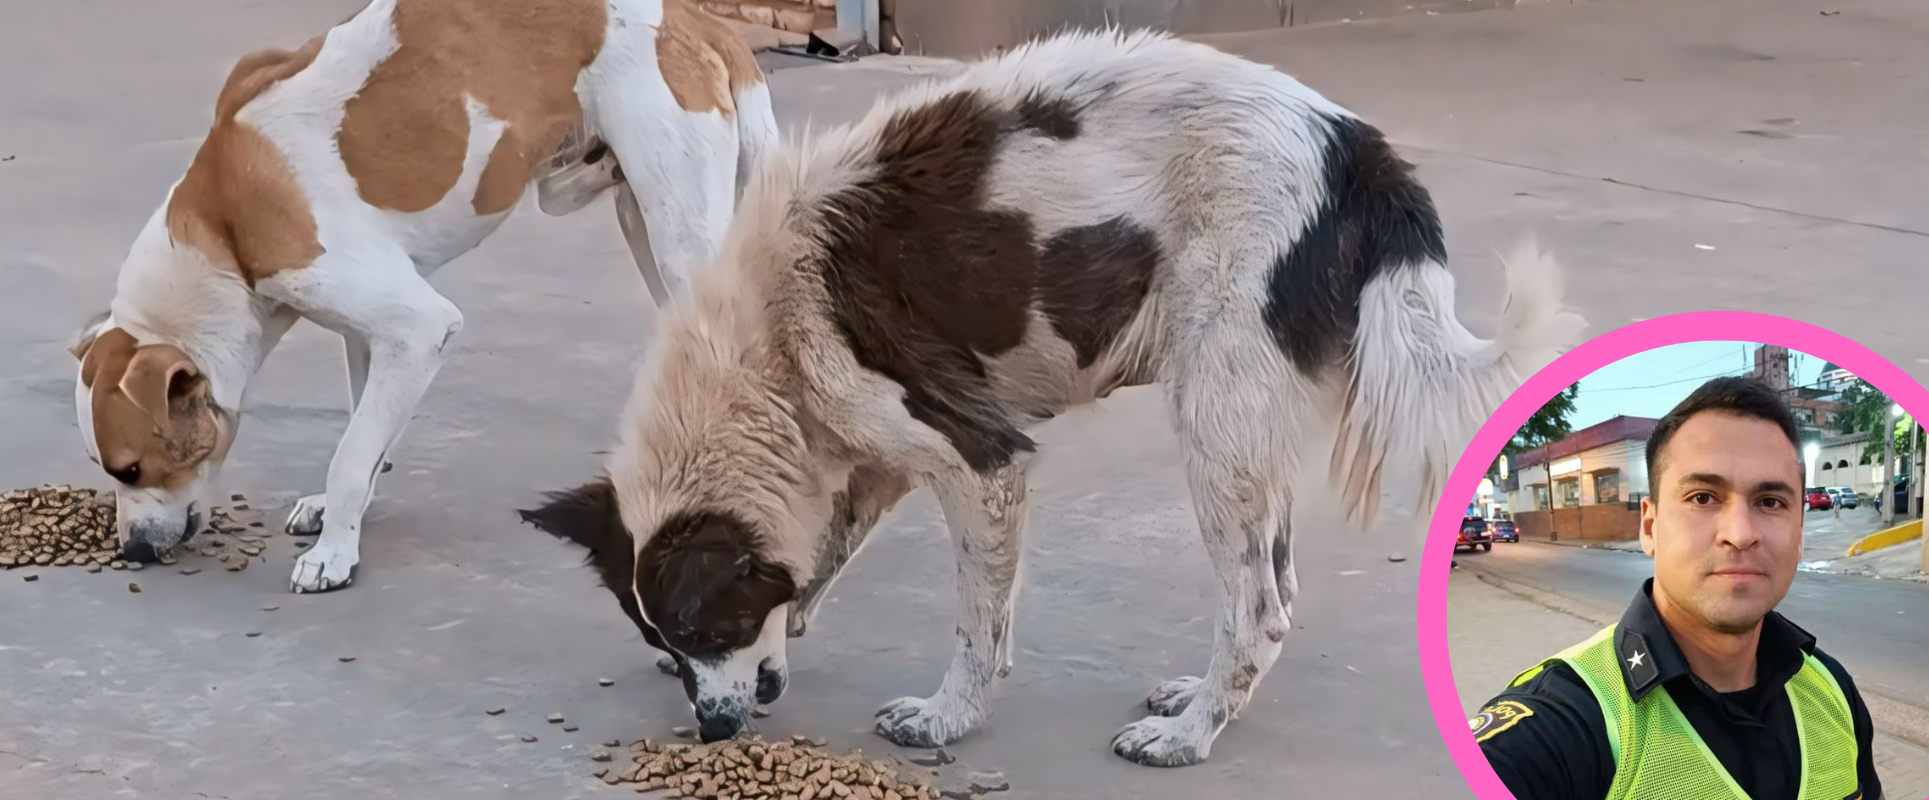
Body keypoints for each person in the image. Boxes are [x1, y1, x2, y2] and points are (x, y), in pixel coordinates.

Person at [1469, 377, 1882, 800]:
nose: (1740, 533)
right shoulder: (1562, 725)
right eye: (1703, 498)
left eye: (1770, 502)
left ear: (1799, 532)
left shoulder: (1832, 689)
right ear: (1650, 527)